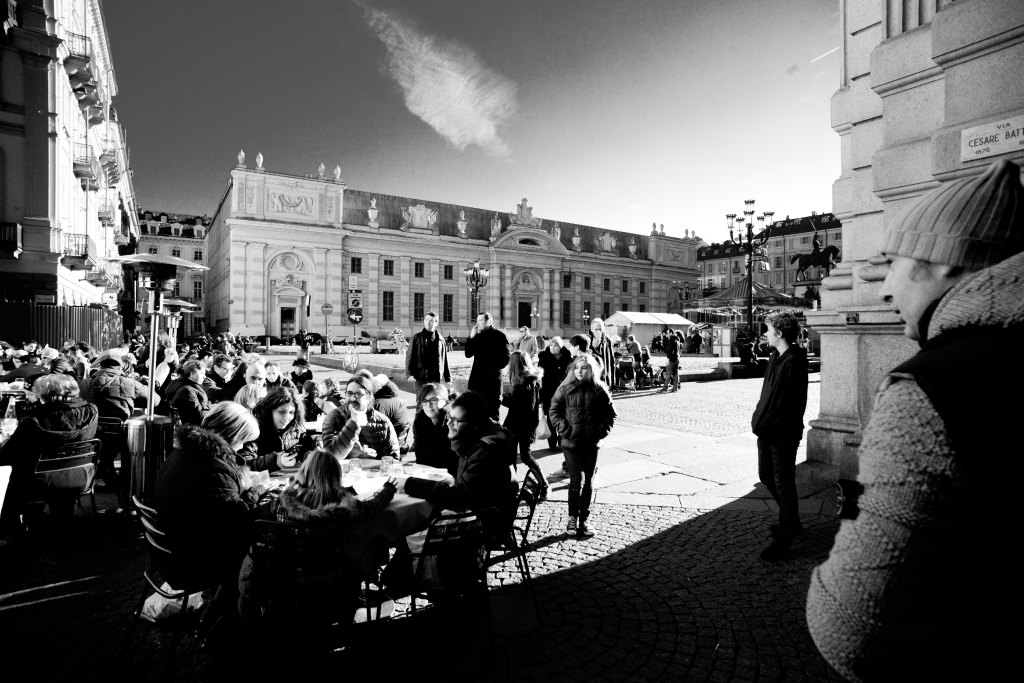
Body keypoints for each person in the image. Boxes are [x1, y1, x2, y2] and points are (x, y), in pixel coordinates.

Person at [806, 158, 1024, 682]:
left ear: (946, 261)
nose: (883, 289)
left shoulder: (930, 388)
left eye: (893, 261)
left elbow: (854, 629)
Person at [237, 450, 398, 626]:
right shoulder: (344, 508)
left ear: (304, 472)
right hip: (333, 586)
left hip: (286, 584)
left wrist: (256, 492)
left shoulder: (281, 504)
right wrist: (388, 490)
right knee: (364, 553)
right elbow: (372, 507)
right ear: (336, 476)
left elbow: (253, 516)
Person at [153, 401, 263, 642]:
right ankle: (233, 621)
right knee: (263, 554)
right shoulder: (213, 467)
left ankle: (223, 610)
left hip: (174, 548)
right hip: (194, 558)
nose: (243, 447)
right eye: (242, 440)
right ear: (231, 435)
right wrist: (255, 494)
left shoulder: (186, 453)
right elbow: (239, 524)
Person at [402, 390, 519, 540]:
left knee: (408, 534)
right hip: (485, 513)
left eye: (456, 420)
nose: (449, 423)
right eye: (450, 417)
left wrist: (410, 484)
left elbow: (459, 498)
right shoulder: (481, 440)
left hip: (483, 524)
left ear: (475, 424)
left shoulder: (484, 451)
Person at [0, 374, 99, 533]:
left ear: (43, 395)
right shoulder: (91, 411)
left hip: (41, 483)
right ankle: (60, 517)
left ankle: (15, 527)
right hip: (82, 476)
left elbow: (5, 456)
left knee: (17, 469)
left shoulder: (33, 421)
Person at [749, 312, 808, 561]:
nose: (765, 333)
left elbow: (786, 403)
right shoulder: (775, 356)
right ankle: (791, 521)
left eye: (768, 329)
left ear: (780, 333)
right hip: (767, 429)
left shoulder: (794, 361)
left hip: (783, 432)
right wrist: (758, 418)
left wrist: (767, 421)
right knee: (766, 476)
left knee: (784, 483)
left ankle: (786, 538)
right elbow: (767, 394)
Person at [549, 353, 616, 538]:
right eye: (577, 367)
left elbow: (611, 414)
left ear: (591, 370)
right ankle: (572, 517)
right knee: (575, 482)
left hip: (591, 444)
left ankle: (584, 519)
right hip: (570, 444)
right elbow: (554, 410)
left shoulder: (599, 389)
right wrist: (565, 430)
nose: (579, 371)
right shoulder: (565, 388)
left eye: (584, 367)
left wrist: (600, 432)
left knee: (589, 483)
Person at [501, 351, 548, 500]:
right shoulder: (527, 381)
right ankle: (512, 487)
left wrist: (504, 400)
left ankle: (544, 484)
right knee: (513, 457)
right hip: (519, 426)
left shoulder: (528, 383)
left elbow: (525, 407)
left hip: (521, 427)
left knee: (523, 457)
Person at [320, 375, 400, 460]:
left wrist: (369, 458)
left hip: (374, 472)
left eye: (358, 394)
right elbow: (331, 457)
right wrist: (354, 423)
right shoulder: (333, 417)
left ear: (369, 397)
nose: (352, 398)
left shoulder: (383, 421)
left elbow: (393, 457)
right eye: (349, 393)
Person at [241, 387, 315, 473]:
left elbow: (312, 450)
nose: (287, 418)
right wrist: (276, 461)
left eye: (291, 412)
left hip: (289, 480)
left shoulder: (296, 428)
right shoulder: (254, 429)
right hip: (261, 482)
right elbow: (245, 463)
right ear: (269, 410)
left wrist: (308, 456)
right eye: (281, 411)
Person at [80, 349, 151, 421]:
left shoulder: (84, 383)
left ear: (100, 366)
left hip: (92, 426)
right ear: (121, 367)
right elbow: (155, 401)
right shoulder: (130, 382)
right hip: (121, 426)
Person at [464, 312, 510, 420]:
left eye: (480, 320)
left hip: (492, 383)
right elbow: (468, 354)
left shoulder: (500, 336)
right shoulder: (477, 336)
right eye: (477, 320)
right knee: (475, 415)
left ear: (488, 321)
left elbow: (505, 359)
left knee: (492, 416)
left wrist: (490, 368)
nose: (477, 323)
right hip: (476, 382)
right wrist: (471, 337)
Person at [409, 382, 456, 475]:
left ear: (444, 402)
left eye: (434, 400)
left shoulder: (452, 422)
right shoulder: (420, 420)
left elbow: (452, 458)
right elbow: (420, 455)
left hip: (449, 475)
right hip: (426, 472)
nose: (428, 405)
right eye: (424, 401)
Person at [537, 336, 571, 450]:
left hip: (563, 393)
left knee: (563, 417)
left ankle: (562, 440)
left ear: (560, 347)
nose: (552, 347)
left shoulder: (567, 358)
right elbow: (539, 376)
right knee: (551, 418)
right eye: (551, 345)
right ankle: (552, 442)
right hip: (548, 392)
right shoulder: (544, 358)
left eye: (555, 345)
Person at [407, 311, 451, 395]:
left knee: (434, 402)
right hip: (420, 377)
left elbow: (444, 360)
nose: (428, 322)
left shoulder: (441, 340)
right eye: (426, 319)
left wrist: (448, 378)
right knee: (421, 403)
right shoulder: (416, 338)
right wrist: (409, 373)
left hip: (436, 378)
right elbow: (409, 356)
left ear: (436, 323)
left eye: (431, 320)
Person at [368, 372, 412, 453]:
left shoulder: (379, 404)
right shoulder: (395, 399)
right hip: (401, 441)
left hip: (392, 445)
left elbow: (376, 429)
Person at [170, 360, 211, 426]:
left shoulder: (187, 386)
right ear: (192, 374)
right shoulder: (187, 391)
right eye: (202, 373)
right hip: (194, 430)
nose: (204, 376)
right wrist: (212, 410)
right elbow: (198, 416)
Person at [588, 318, 616, 390]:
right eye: (596, 329)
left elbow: (612, 361)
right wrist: (592, 347)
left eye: (600, 329)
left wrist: (612, 380)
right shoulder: (587, 340)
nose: (598, 331)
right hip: (592, 379)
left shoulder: (607, 340)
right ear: (591, 329)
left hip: (605, 378)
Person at [661, 328, 680, 392]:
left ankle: (665, 388)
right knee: (675, 374)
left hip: (671, 359)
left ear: (671, 333)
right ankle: (675, 388)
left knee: (668, 374)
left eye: (667, 333)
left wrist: (668, 358)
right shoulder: (677, 339)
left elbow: (669, 350)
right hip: (677, 358)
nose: (666, 334)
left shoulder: (671, 340)